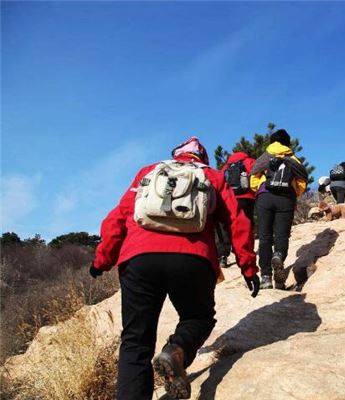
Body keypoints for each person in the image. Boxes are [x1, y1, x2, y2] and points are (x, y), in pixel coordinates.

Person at [90, 137, 259, 400]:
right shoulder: (212, 177)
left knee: (136, 342)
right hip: (193, 260)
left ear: (176, 155)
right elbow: (238, 221)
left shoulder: (148, 172)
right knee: (198, 318)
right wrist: (248, 267)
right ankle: (177, 350)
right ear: (202, 158)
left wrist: (101, 260)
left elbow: (118, 217)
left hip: (139, 259)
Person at [250, 129, 308, 290]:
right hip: (286, 198)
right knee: (282, 235)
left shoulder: (264, 157)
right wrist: (294, 192)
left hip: (265, 197)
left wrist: (260, 191)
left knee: (265, 236)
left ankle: (266, 277)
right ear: (287, 143)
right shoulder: (293, 158)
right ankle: (279, 255)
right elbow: (302, 180)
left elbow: (253, 179)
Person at [217, 151, 256, 268]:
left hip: (229, 199)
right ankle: (244, 255)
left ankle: (223, 256)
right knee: (246, 226)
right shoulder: (250, 162)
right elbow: (255, 178)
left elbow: (221, 182)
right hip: (246, 199)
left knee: (226, 227)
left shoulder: (226, 167)